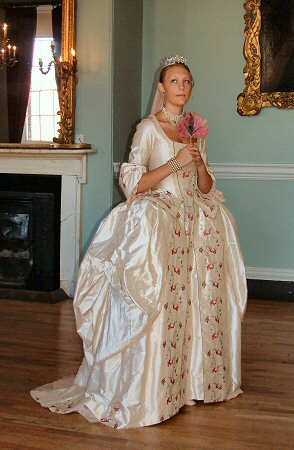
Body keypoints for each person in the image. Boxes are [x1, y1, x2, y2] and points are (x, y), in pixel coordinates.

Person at [31, 55, 247, 429]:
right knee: (160, 298)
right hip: (160, 217)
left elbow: (207, 187)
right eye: (175, 81)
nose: (182, 87)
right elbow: (133, 184)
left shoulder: (194, 129)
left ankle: (192, 383)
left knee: (197, 298)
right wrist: (177, 163)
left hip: (193, 220)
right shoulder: (148, 128)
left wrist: (196, 164)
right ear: (161, 88)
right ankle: (150, 391)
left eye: (187, 81)